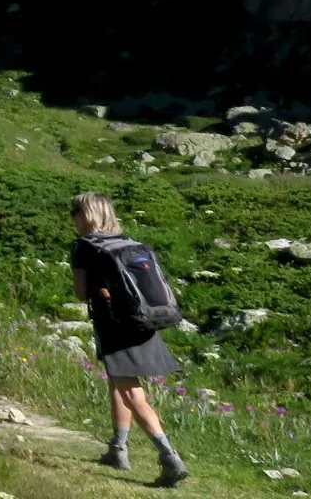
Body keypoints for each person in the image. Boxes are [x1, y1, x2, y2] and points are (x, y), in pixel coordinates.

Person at [70, 192, 189, 488]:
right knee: (117, 382)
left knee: (133, 395)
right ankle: (118, 449)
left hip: (114, 327)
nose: (72, 218)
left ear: (86, 215)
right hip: (144, 322)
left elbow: (81, 294)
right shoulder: (129, 242)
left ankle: (170, 458)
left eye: (75, 212)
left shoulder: (83, 247)